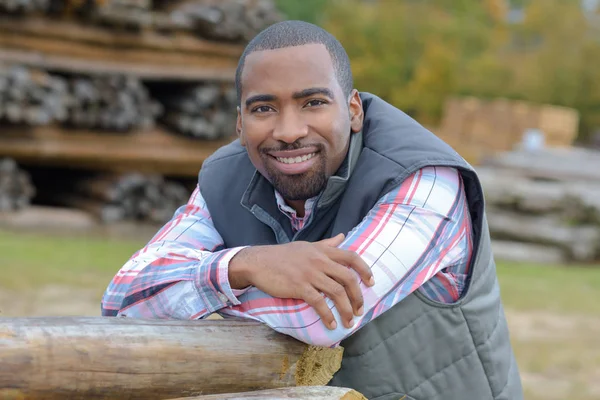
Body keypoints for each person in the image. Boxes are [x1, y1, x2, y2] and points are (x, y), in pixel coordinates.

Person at [102, 20, 523, 400]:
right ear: (240, 123)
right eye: (264, 108)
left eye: (313, 103)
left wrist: (186, 295)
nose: (288, 132)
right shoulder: (223, 177)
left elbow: (320, 318)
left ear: (353, 109)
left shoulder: (425, 178)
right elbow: (122, 299)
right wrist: (243, 266)